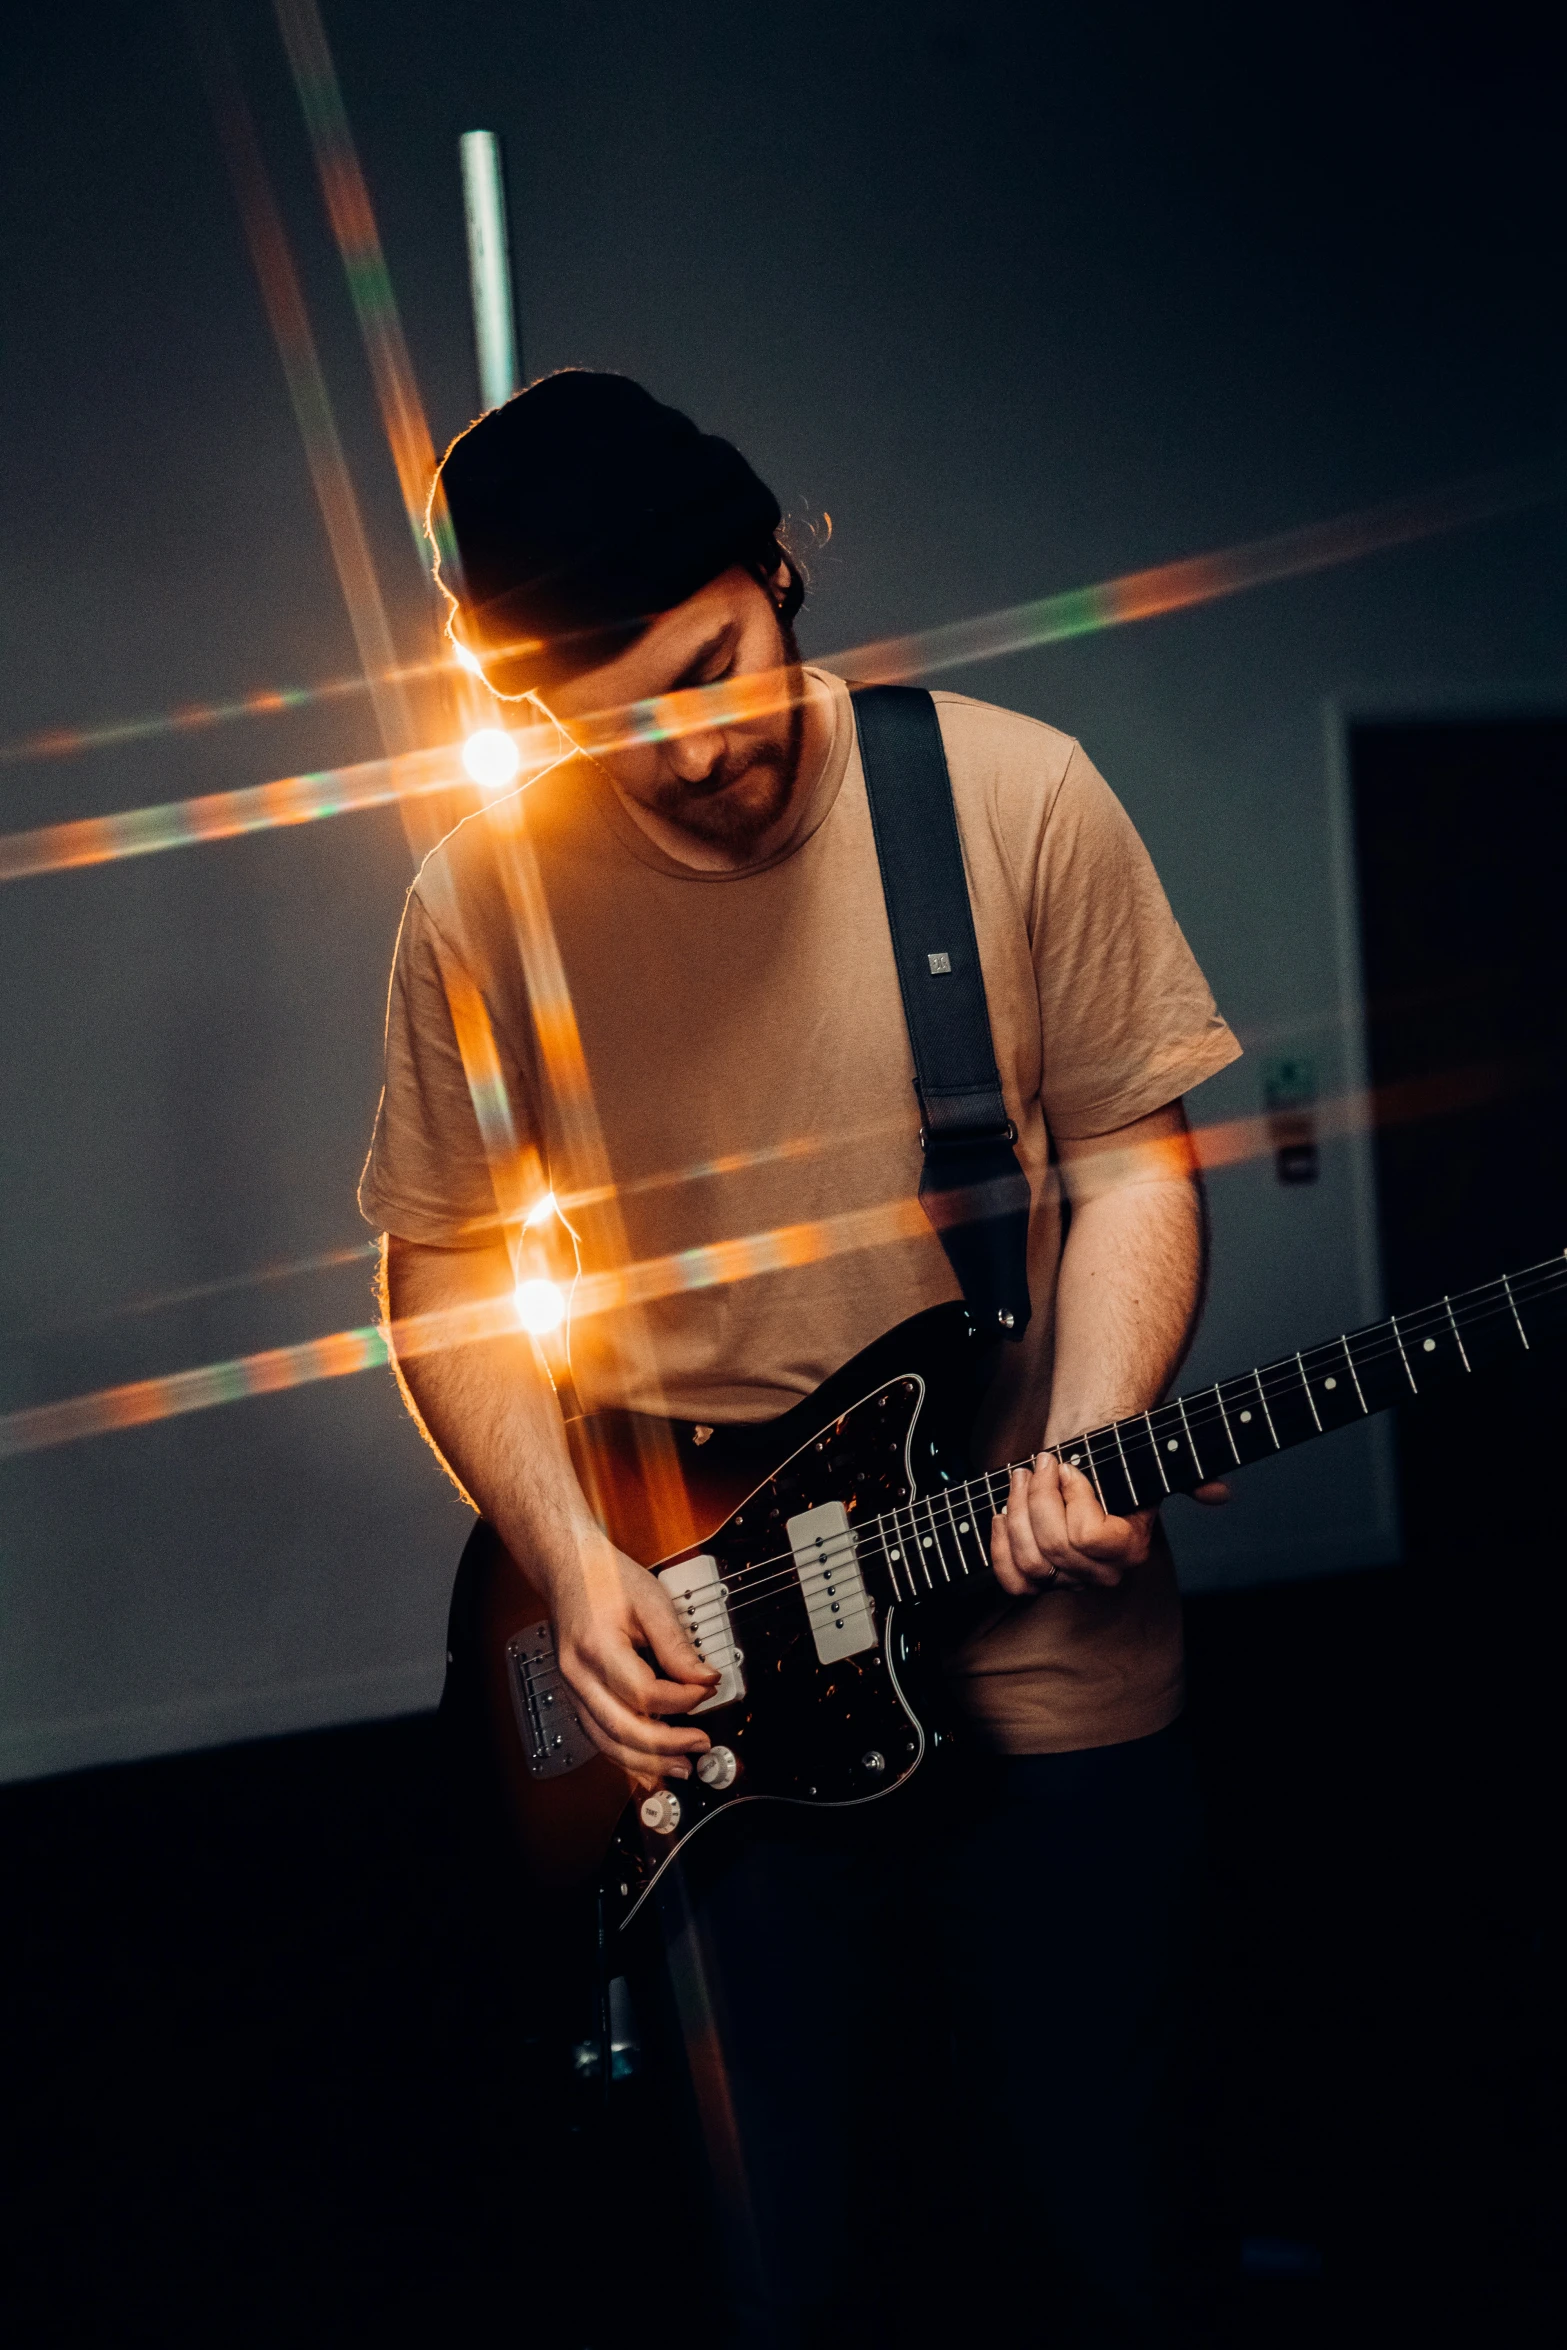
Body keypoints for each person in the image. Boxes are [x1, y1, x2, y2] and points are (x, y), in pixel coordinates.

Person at [360, 371, 1240, 2345]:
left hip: (1044, 1655)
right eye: (616, 725)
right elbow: (442, 1269)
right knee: (795, 2266)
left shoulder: (1010, 795)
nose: (689, 750)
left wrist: (1093, 1425)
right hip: (709, 1671)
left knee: (1117, 2224)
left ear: (777, 565)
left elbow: (1130, 1157)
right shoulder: (476, 910)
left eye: (713, 662)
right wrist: (576, 1563)